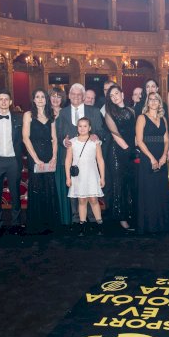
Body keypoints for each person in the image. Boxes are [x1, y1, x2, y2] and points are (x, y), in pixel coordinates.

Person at [55, 83, 106, 228]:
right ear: (69, 96)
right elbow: (59, 133)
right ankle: (77, 221)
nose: (76, 97)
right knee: (75, 191)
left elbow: (101, 131)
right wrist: (64, 141)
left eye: (79, 94)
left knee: (91, 191)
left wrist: (96, 135)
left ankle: (93, 220)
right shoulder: (63, 112)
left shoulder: (94, 111)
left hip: (89, 159)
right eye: (73, 94)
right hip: (72, 158)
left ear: (83, 96)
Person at [22, 89, 60, 234]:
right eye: (37, 97)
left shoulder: (51, 115)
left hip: (49, 155)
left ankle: (49, 224)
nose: (40, 99)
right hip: (35, 155)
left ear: (46, 99)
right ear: (33, 99)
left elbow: (54, 139)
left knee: (49, 186)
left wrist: (54, 157)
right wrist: (36, 159)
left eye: (42, 97)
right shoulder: (28, 115)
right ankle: (37, 224)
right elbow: (26, 138)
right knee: (37, 186)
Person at [135, 92, 169, 234]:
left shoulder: (163, 119)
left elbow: (166, 139)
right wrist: (151, 158)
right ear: (147, 102)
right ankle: (149, 225)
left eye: (156, 99)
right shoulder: (142, 118)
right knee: (149, 190)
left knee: (161, 190)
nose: (153, 102)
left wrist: (164, 156)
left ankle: (162, 225)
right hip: (147, 158)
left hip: (161, 157)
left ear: (159, 102)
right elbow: (139, 141)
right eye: (150, 99)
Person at [0, 90, 24, 238]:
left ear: (10, 102)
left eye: (6, 99)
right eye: (1, 99)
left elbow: (23, 139)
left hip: (13, 161)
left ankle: (16, 224)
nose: (3, 102)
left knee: (15, 194)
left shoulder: (18, 119)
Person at [104, 84, 136, 232]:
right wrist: (129, 150)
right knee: (119, 185)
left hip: (131, 152)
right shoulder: (109, 113)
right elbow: (115, 134)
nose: (115, 97)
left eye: (116, 93)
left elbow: (135, 132)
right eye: (111, 96)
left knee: (129, 184)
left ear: (122, 94)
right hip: (116, 152)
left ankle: (130, 215)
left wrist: (135, 149)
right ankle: (121, 218)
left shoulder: (132, 111)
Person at [66, 117, 105, 236]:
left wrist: (102, 177)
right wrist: (68, 177)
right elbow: (68, 160)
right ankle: (82, 225)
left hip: (92, 174)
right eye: (80, 126)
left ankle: (99, 224)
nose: (82, 128)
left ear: (90, 128)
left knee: (93, 199)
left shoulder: (95, 142)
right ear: (77, 127)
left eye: (85, 126)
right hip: (79, 176)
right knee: (81, 200)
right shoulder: (72, 142)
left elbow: (100, 160)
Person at [49, 87, 71, 227]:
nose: (56, 99)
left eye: (59, 96)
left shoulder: (66, 113)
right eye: (53, 96)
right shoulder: (44, 112)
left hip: (63, 152)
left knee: (62, 184)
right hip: (48, 153)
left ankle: (65, 219)